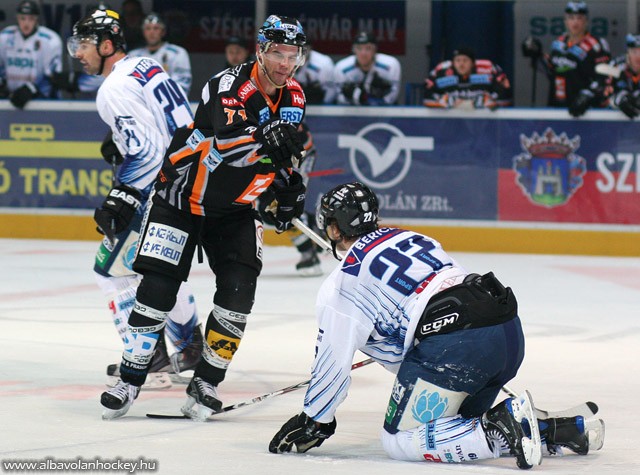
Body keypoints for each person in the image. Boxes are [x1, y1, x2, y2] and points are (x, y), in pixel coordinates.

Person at [269, 182, 603, 467]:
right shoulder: (412, 238)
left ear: (333, 229)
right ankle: (557, 432)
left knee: (400, 440)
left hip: (458, 347)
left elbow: (332, 362)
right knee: (454, 428)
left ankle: (501, 423)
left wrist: (316, 420)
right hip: (506, 331)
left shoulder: (343, 284)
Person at [98, 13, 309, 420]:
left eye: (293, 55)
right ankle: (130, 379)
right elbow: (229, 146)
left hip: (235, 208)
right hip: (181, 199)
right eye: (278, 53)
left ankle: (206, 381)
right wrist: (267, 140)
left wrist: (287, 186)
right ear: (260, 50)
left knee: (239, 294)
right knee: (157, 289)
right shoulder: (227, 84)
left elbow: (280, 152)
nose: (286, 64)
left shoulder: (295, 96)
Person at [66, 9, 203, 391]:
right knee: (161, 269)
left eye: (84, 44)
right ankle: (190, 347)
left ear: (107, 45)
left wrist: (121, 198)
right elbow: (173, 126)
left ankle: (147, 359)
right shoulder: (146, 65)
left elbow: (146, 151)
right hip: (187, 186)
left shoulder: (111, 89)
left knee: (109, 272)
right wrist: (120, 140)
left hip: (156, 191)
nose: (78, 53)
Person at [257, 122, 324, 277]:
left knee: (286, 204)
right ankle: (312, 224)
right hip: (273, 157)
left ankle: (308, 253)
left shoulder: (284, 114)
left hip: (296, 157)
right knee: (269, 207)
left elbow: (299, 138)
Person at [533, 1, 610, 116]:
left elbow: (606, 77)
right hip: (557, 108)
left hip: (586, 111)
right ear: (565, 21)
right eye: (571, 18)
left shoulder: (597, 45)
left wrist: (588, 94)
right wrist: (537, 56)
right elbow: (551, 71)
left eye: (579, 18)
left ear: (586, 21)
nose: (575, 22)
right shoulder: (558, 43)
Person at [0, 0, 63, 109]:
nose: (26, 23)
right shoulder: (5, 36)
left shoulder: (50, 40)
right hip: (11, 100)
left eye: (31, 19)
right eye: (22, 18)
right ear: (17, 18)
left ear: (36, 19)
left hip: (43, 103)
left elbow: (55, 77)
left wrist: (32, 89)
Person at [423, 47, 512, 109]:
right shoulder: (441, 71)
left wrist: (489, 100)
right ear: (453, 63)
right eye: (458, 60)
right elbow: (427, 95)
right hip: (450, 122)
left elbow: (506, 95)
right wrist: (444, 100)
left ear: (473, 63)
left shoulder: (488, 68)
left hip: (485, 122)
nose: (461, 64)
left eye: (465, 60)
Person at [129, 12, 192, 95]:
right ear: (143, 32)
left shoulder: (177, 53)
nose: (151, 32)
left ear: (163, 32)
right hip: (140, 101)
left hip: (168, 100)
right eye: (148, 28)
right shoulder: (133, 56)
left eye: (156, 28)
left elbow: (182, 84)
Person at [333, 31, 401, 105]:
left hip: (383, 109)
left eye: (368, 48)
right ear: (354, 50)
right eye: (359, 48)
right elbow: (339, 98)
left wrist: (376, 99)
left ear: (374, 50)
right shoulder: (342, 68)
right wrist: (354, 97)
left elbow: (393, 96)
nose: (363, 53)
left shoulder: (390, 66)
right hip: (351, 109)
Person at [608, 34, 640, 119]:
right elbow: (604, 93)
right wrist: (618, 99)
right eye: (634, 52)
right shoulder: (615, 66)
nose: (638, 57)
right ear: (627, 53)